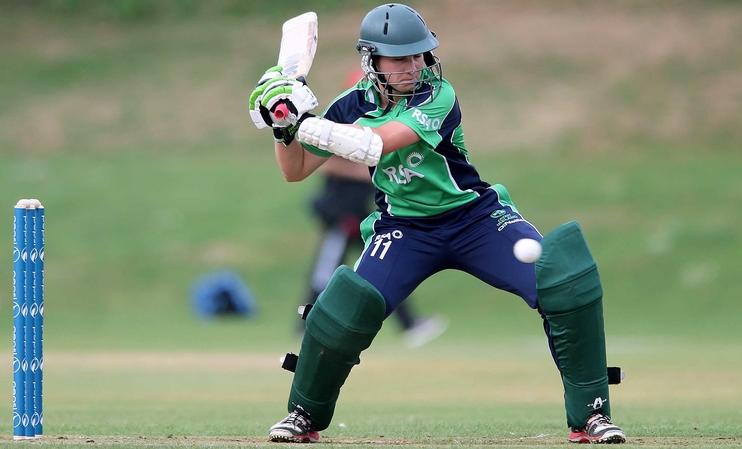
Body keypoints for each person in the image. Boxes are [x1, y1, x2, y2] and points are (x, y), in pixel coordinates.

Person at [249, 3, 626, 444]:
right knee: (342, 312)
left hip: (475, 219)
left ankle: (591, 416)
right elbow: (294, 170)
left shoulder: (438, 95)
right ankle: (302, 416)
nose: (414, 66)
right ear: (371, 61)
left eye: (419, 55)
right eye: (401, 58)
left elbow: (374, 145)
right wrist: (281, 124)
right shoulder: (349, 106)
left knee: (562, 282)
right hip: (404, 230)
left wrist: (304, 121)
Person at [299, 68, 447, 349]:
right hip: (340, 212)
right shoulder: (341, 125)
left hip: (359, 213)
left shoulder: (378, 127)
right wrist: (371, 168)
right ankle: (305, 323)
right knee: (327, 268)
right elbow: (324, 163)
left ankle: (410, 324)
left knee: (381, 269)